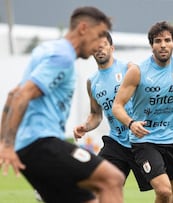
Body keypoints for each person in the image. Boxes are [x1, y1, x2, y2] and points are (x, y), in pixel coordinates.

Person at [0, 6, 125, 203]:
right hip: (41, 145)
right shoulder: (63, 57)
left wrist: (4, 142)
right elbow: (22, 95)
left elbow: (12, 94)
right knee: (112, 179)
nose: (97, 45)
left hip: (29, 148)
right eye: (98, 35)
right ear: (83, 28)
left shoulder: (47, 50)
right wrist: (6, 146)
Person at [112, 21, 173, 203]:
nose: (163, 45)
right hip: (146, 141)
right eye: (158, 41)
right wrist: (131, 123)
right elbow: (117, 106)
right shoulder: (138, 72)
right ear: (151, 45)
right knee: (163, 191)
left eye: (167, 40)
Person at [73, 31, 152, 192]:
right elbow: (96, 114)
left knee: (163, 190)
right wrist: (85, 126)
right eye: (95, 47)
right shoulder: (92, 82)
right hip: (117, 143)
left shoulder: (129, 69)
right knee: (100, 185)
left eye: (103, 46)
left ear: (112, 48)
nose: (99, 50)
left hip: (141, 140)